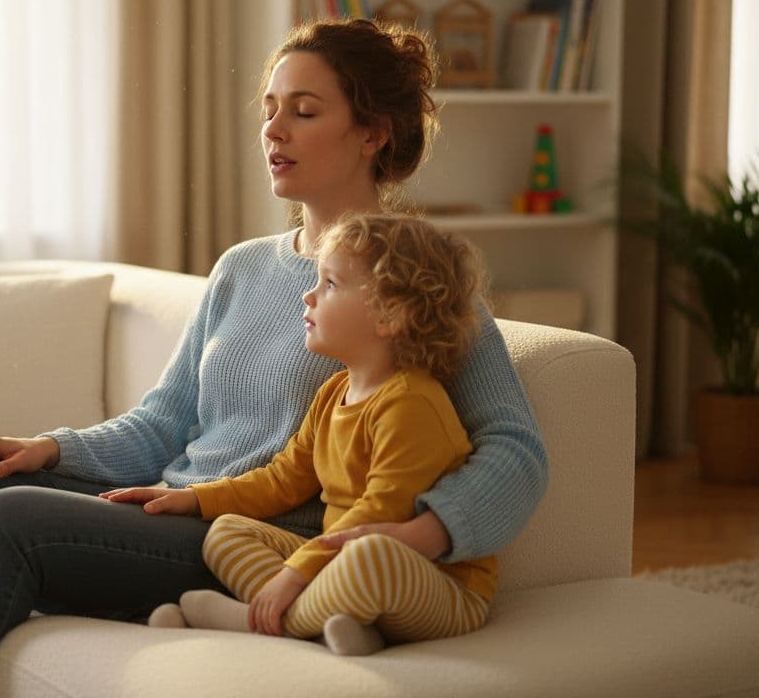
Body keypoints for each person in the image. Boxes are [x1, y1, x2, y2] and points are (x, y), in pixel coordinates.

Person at [0, 19, 545, 697]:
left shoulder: (413, 288)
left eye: (304, 111)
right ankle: (114, 589)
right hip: (177, 506)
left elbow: (515, 449)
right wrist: (50, 450)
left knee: (7, 521)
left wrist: (419, 536)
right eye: (269, 110)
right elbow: (164, 424)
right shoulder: (242, 267)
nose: (274, 130)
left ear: (372, 133)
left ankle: (172, 592)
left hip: (249, 541)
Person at [102, 213, 496, 656]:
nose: (308, 296)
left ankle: (253, 622)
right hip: (341, 564)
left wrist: (294, 575)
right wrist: (197, 499)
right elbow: (283, 478)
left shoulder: (413, 403)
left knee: (371, 553)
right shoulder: (334, 392)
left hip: (436, 584)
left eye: (330, 284)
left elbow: (380, 512)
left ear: (389, 315)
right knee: (227, 531)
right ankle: (336, 625)